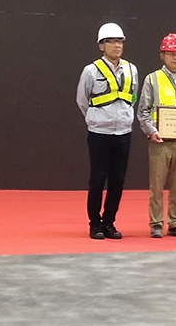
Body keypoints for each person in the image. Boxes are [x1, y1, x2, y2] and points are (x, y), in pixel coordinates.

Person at [76, 22, 138, 240]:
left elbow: (132, 97)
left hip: (123, 133)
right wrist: (96, 119)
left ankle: (109, 222)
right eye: (111, 41)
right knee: (97, 179)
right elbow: (82, 100)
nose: (117, 45)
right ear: (101, 46)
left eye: (120, 41)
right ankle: (95, 224)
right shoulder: (91, 71)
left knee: (117, 181)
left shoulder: (131, 70)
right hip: (99, 133)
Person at [137, 33, 176, 238]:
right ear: (162, 55)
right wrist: (151, 131)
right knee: (157, 184)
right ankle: (156, 223)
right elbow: (143, 111)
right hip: (160, 141)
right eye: (171, 53)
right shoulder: (152, 79)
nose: (175, 57)